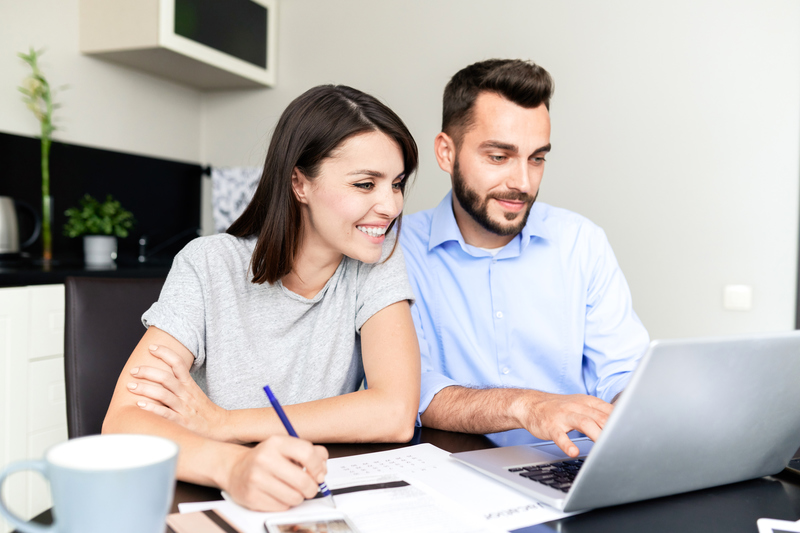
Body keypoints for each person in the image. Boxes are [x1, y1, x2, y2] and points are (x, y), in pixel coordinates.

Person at [103, 85, 421, 511]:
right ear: (299, 183)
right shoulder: (209, 263)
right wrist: (233, 466)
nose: (391, 206)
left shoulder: (376, 260)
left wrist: (225, 423)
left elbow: (396, 412)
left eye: (396, 184)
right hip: (205, 497)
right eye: (365, 184)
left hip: (306, 495)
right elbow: (123, 420)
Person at [400, 59, 650, 458]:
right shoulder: (398, 251)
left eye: (536, 158)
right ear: (446, 153)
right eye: (499, 157)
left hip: (573, 465)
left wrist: (632, 407)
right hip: (459, 474)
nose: (522, 182)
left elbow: (623, 369)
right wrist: (527, 406)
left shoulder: (581, 242)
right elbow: (413, 390)